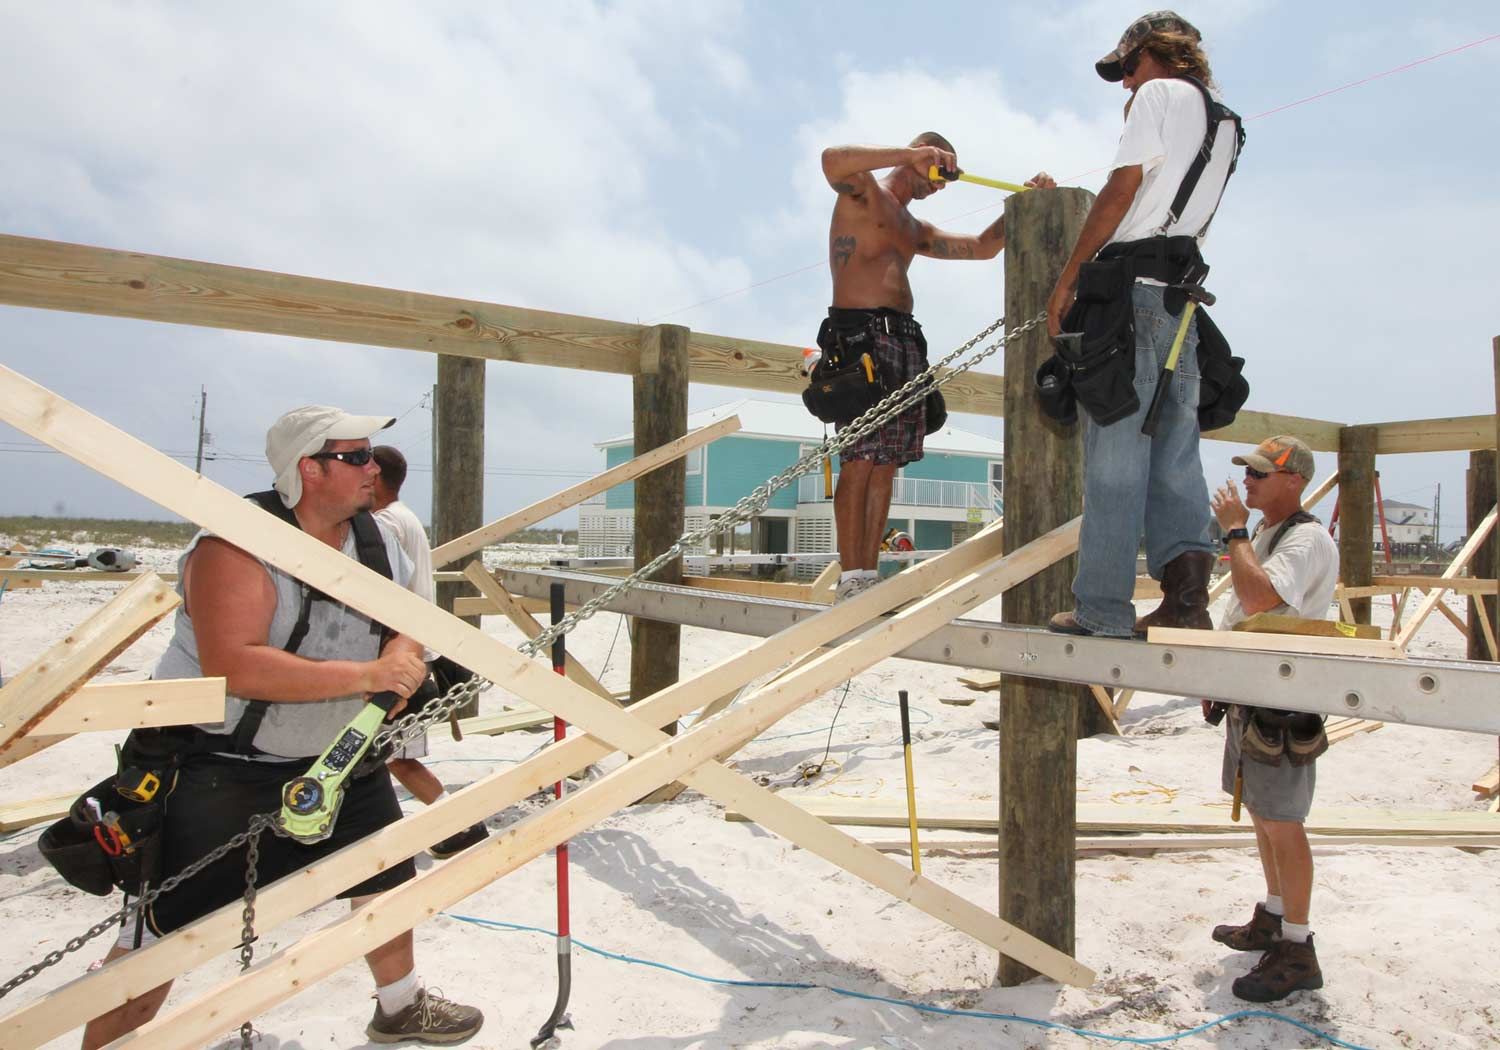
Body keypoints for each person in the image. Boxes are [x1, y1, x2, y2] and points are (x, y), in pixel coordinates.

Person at [83, 407, 482, 1048]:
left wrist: (402, 661)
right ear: (309, 468)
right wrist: (370, 677)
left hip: (339, 758)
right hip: (222, 768)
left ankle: (399, 1006)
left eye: (370, 454)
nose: (372, 467)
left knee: (386, 880)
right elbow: (236, 664)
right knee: (164, 937)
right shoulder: (235, 546)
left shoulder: (375, 537)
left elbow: (408, 614)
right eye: (355, 457)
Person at [1044, 11, 1243, 638]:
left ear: (1155, 53)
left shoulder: (1158, 95)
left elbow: (1122, 187)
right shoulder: (1228, 123)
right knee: (1176, 459)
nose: (1125, 86)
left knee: (1114, 462)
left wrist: (1070, 276)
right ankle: (1187, 602)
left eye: (1126, 69)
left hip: (1128, 299)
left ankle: (1101, 609)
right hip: (1179, 303)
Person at [819, 134, 1053, 601]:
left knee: (888, 465)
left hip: (903, 340)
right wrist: (910, 155)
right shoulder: (863, 191)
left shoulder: (912, 227)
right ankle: (850, 576)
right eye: (940, 170)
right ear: (923, 155)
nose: (942, 184)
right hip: (859, 338)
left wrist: (1024, 202)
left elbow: (984, 247)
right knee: (860, 460)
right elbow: (831, 160)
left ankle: (867, 578)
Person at [1208, 435, 1336, 1002]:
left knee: (1283, 821)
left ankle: (1298, 947)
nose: (1250, 481)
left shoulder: (1305, 539)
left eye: (1261, 473)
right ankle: (1276, 915)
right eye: (1249, 472)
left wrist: (1235, 533)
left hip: (1284, 700)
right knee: (1263, 814)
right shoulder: (1270, 533)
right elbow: (1242, 611)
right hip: (1256, 692)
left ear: (1294, 480)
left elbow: (1259, 600)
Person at [371, 444, 489, 859]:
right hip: (418, 649)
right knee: (386, 756)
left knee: (394, 758)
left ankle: (459, 826)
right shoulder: (404, 518)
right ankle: (454, 824)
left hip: (407, 656)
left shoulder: (384, 523)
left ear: (376, 478)